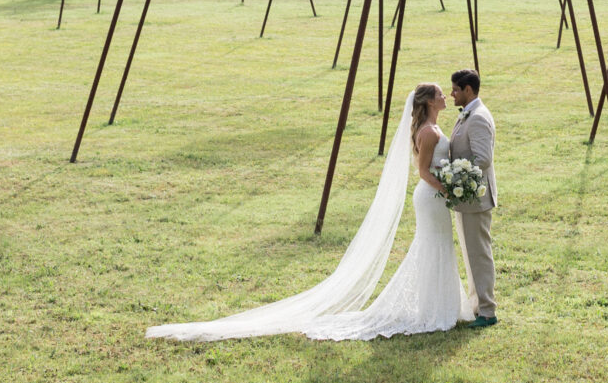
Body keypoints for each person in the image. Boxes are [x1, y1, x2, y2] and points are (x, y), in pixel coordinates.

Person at [146, 82, 480, 344]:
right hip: (431, 196)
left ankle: (440, 306)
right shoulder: (427, 132)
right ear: (427, 101)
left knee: (437, 248)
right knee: (431, 248)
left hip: (436, 198)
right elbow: (423, 172)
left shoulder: (433, 129)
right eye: (440, 94)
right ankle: (435, 310)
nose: (445, 96)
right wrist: (447, 188)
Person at [448, 68, 498, 326]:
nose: (452, 94)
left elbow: (483, 159)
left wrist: (455, 176)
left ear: (468, 90)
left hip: (475, 199)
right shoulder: (468, 114)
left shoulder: (477, 117)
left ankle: (488, 311)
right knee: (470, 254)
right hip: (466, 200)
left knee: (479, 254)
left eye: (455, 89)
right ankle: (477, 305)